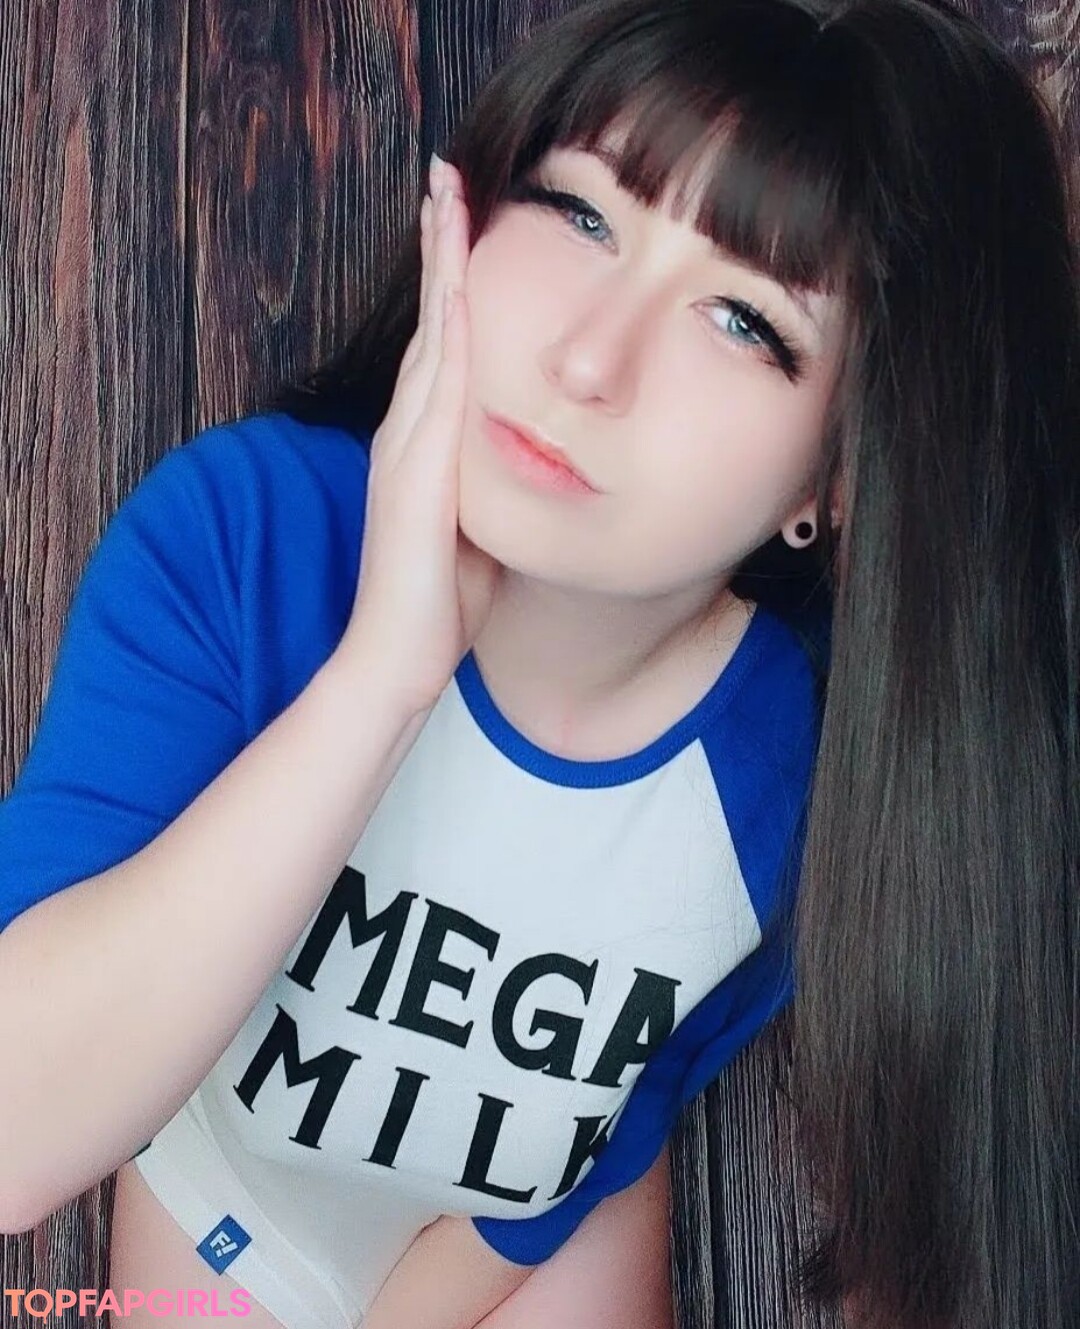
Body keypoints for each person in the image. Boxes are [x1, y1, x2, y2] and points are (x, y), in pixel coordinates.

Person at [0, 0, 1075, 1325]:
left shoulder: (811, 768)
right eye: (581, 214)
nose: (588, 358)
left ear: (840, 477)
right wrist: (383, 677)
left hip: (516, 1225)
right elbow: (14, 1134)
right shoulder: (248, 539)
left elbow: (630, 1088)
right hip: (231, 1195)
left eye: (744, 321)